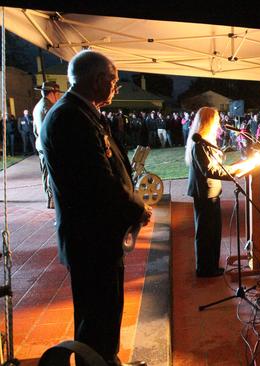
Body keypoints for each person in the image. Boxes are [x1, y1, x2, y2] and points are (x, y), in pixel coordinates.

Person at [40, 50, 151, 366]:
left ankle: (107, 359)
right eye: (113, 80)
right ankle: (97, 361)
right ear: (97, 79)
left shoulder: (82, 112)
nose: (116, 87)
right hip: (90, 236)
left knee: (107, 307)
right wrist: (135, 209)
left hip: (99, 233)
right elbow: (96, 181)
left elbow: (113, 167)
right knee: (96, 312)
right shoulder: (69, 117)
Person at [186, 107, 234, 279]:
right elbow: (208, 170)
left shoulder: (206, 140)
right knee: (205, 232)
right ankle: (204, 269)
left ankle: (212, 266)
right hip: (204, 193)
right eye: (215, 120)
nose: (218, 123)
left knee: (214, 231)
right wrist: (234, 171)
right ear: (207, 121)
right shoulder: (199, 144)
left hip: (212, 192)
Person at [33, 81, 61, 209]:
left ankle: (50, 198)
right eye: (58, 94)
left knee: (45, 171)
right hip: (48, 144)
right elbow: (52, 129)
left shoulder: (38, 106)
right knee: (51, 171)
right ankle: (51, 199)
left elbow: (35, 130)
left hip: (41, 143)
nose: (59, 97)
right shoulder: (48, 107)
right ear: (53, 93)